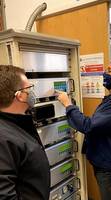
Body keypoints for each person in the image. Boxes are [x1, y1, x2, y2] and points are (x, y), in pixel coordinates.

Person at [57, 59, 111, 200]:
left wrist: (68, 104)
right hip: (105, 159)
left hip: (109, 164)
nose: (104, 74)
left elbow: (88, 126)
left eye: (109, 71)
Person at [0, 65, 50, 200]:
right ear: (19, 96)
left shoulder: (18, 123)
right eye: (29, 88)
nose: (32, 93)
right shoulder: (3, 138)